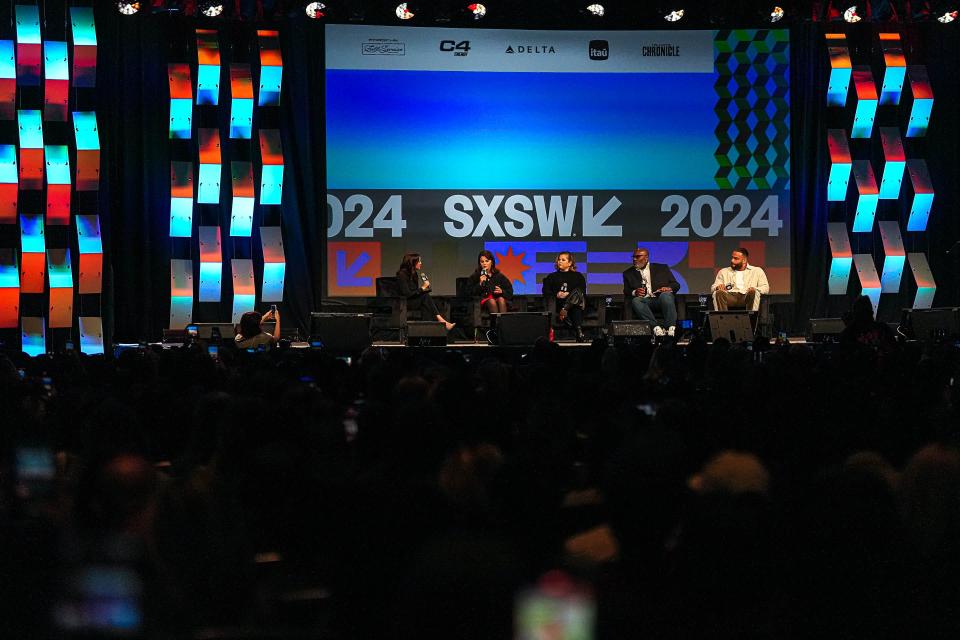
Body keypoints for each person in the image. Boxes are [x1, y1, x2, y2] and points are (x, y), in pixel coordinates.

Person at [623, 247, 680, 337]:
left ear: (646, 258)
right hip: (645, 301)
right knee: (636, 300)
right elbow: (626, 290)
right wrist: (635, 292)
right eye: (633, 257)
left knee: (666, 295)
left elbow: (676, 285)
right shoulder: (628, 273)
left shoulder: (662, 268)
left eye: (638, 256)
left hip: (661, 299)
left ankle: (670, 328)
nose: (634, 259)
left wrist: (668, 288)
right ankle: (656, 327)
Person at [397, 253, 455, 331]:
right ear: (412, 262)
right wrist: (422, 288)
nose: (421, 263)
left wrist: (426, 288)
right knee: (426, 297)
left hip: (413, 300)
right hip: (405, 303)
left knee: (428, 301)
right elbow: (407, 294)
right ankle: (442, 321)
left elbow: (415, 291)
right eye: (419, 261)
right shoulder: (402, 275)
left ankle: (428, 331)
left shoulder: (414, 274)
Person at [541, 251, 587, 342]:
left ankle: (565, 310)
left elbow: (582, 292)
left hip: (574, 304)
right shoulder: (551, 277)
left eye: (563, 260)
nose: (560, 262)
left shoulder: (578, 276)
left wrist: (569, 295)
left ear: (570, 263)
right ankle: (579, 332)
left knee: (576, 297)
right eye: (559, 260)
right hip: (558, 304)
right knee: (573, 304)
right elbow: (545, 291)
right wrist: (556, 294)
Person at [711, 247, 769, 311]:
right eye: (732, 257)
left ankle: (752, 319)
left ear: (744, 260)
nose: (732, 260)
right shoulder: (723, 271)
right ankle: (722, 319)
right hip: (730, 296)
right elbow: (713, 287)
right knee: (718, 293)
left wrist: (755, 289)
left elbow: (766, 288)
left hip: (746, 296)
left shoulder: (757, 271)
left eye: (736, 258)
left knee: (753, 292)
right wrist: (718, 287)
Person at [468, 250, 513, 315]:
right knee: (492, 301)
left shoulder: (499, 276)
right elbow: (469, 292)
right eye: (482, 261)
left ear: (491, 262)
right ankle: (495, 324)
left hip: (497, 298)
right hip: (482, 300)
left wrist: (502, 291)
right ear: (479, 263)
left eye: (487, 261)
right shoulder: (475, 276)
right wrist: (480, 284)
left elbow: (510, 291)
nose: (484, 263)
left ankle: (503, 323)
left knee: (501, 300)